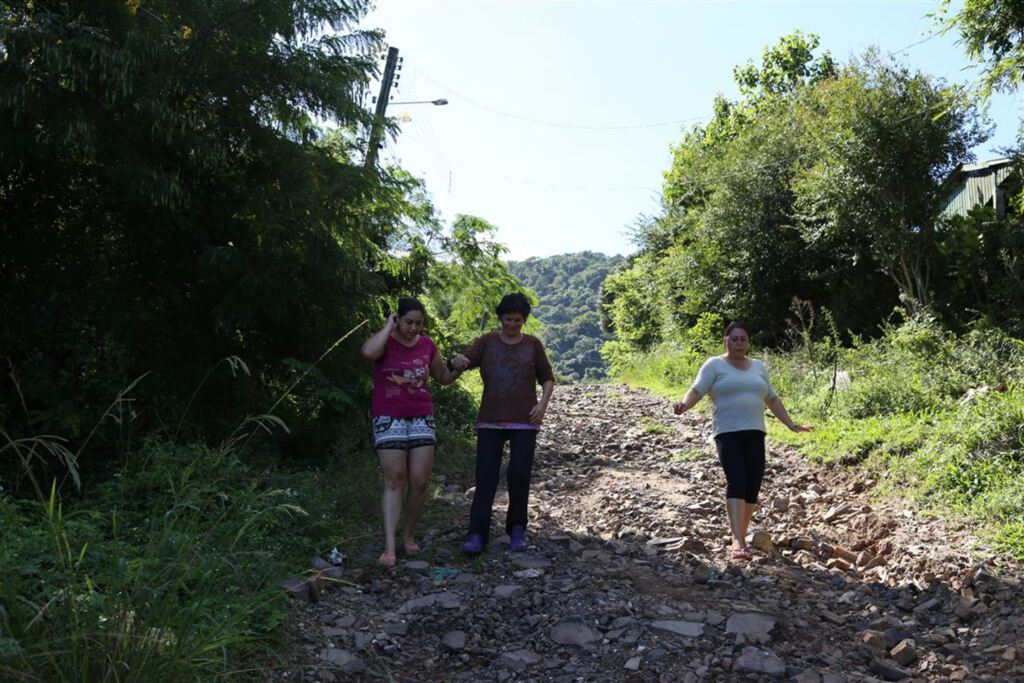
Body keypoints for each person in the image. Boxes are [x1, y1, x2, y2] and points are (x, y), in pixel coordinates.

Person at [673, 321, 812, 561]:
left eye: (743, 339)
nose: (739, 343)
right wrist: (684, 405)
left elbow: (772, 398)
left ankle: (741, 535)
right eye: (735, 339)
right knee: (737, 481)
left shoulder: (758, 367)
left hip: (755, 432)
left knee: (752, 485)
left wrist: (790, 424)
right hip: (727, 432)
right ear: (726, 340)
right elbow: (697, 390)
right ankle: (737, 540)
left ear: (748, 342)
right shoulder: (714, 365)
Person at [449, 292, 555, 554]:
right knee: (485, 476)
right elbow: (463, 361)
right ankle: (477, 534)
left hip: (525, 421)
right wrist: (455, 360)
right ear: (500, 318)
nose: (512, 325)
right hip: (490, 419)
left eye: (517, 320)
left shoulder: (532, 345)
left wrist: (542, 405)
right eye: (508, 319)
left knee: (519, 473)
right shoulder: (487, 342)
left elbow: (547, 378)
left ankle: (517, 529)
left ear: (524, 320)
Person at [361, 297, 462, 567]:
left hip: (421, 416)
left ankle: (408, 536)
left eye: (419, 323)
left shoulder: (427, 344)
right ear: (398, 318)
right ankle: (389, 547)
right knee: (395, 478)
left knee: (419, 481)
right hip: (389, 416)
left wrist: (457, 369)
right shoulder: (385, 341)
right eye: (408, 322)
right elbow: (368, 353)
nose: (413, 328)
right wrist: (388, 327)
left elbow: (442, 377)